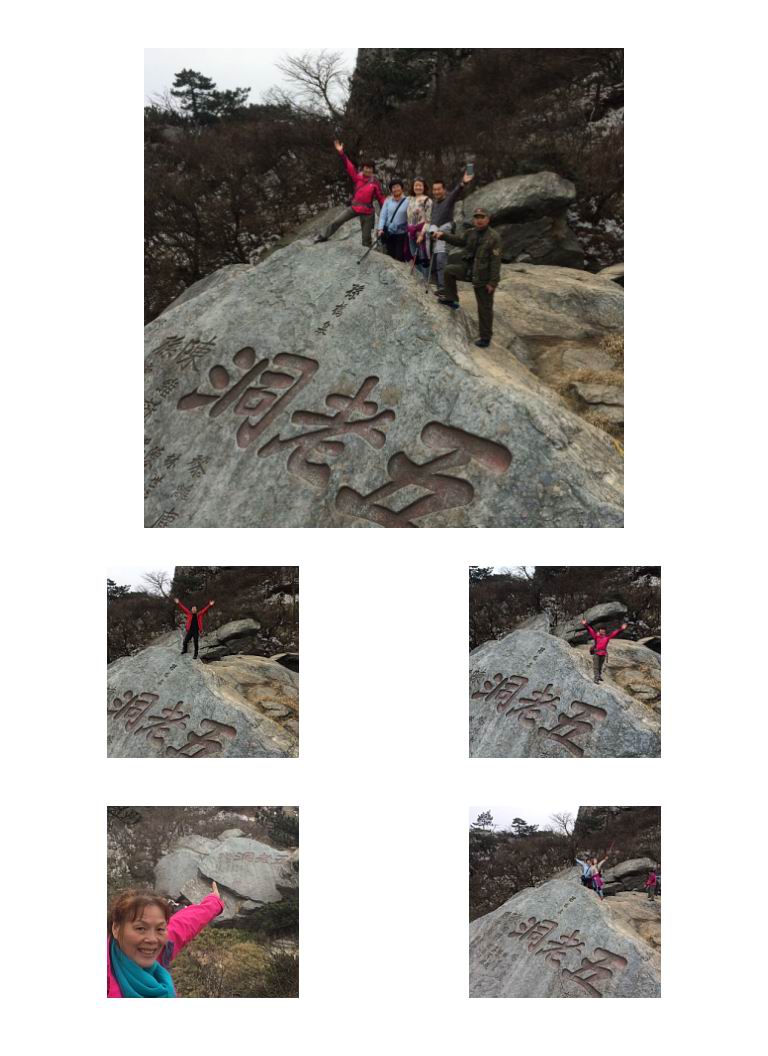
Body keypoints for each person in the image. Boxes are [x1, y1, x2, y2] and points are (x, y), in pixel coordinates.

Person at [107, 883, 223, 997]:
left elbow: (187, 922)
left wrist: (213, 902)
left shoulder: (163, 946)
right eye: (140, 928)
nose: (153, 939)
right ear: (116, 929)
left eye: (160, 928)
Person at [434, 208, 502, 347]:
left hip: (483, 276)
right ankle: (452, 299)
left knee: (484, 308)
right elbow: (458, 240)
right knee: (449, 270)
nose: (479, 220)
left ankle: (485, 337)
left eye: (482, 217)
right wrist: (443, 236)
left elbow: (496, 262)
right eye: (477, 217)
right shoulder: (470, 233)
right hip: (468, 271)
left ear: (488, 219)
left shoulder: (494, 237)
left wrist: (493, 282)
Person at [314, 140, 385, 247]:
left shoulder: (375, 182)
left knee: (366, 238)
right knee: (337, 221)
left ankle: (367, 251)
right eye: (366, 168)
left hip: (367, 211)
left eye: (370, 168)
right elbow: (349, 166)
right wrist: (341, 152)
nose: (368, 170)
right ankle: (323, 235)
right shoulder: (357, 177)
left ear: (373, 170)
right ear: (363, 168)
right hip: (354, 207)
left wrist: (386, 212)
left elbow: (381, 198)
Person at [426, 171, 474, 294]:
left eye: (439, 189)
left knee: (441, 259)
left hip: (445, 234)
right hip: (435, 234)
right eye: (434, 190)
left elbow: (456, 192)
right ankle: (439, 286)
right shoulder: (434, 203)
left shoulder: (448, 199)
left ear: (444, 190)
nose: (436, 192)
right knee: (435, 260)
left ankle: (443, 288)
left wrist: (463, 183)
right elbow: (433, 218)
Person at [580, 618, 628, 683]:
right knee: (596, 666)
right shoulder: (596, 636)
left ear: (605, 631)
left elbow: (615, 633)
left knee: (600, 666)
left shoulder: (607, 637)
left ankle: (599, 675)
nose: (602, 631)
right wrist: (585, 624)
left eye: (603, 630)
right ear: (599, 630)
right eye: (601, 630)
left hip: (603, 654)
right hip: (596, 653)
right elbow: (590, 630)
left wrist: (621, 629)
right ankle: (596, 678)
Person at [377, 179, 411, 261]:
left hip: (402, 233)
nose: (396, 189)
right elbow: (383, 216)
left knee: (400, 257)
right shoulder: (388, 201)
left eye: (398, 186)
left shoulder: (408, 201)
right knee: (390, 257)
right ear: (391, 190)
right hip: (389, 233)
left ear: (401, 188)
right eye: (393, 187)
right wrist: (380, 229)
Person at [406, 178, 433, 278]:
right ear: (413, 187)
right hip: (411, 232)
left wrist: (422, 234)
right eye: (416, 185)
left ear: (424, 187)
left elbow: (429, 220)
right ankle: (419, 278)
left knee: (424, 257)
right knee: (414, 256)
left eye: (420, 185)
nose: (418, 187)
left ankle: (425, 279)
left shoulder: (427, 200)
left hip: (422, 232)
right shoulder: (410, 199)